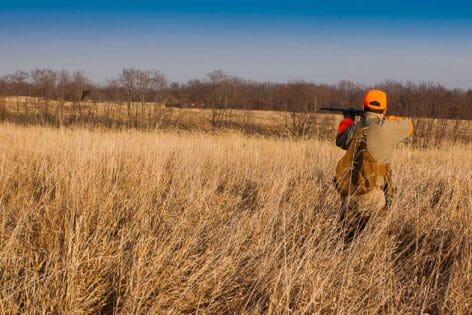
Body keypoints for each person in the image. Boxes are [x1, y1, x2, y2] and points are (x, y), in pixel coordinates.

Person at [335, 89, 413, 243]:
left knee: (346, 242)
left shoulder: (354, 128)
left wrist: (348, 120)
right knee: (375, 244)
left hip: (350, 193)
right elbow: (409, 126)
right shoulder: (387, 127)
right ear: (384, 109)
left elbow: (340, 140)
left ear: (363, 108)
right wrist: (389, 117)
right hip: (373, 193)